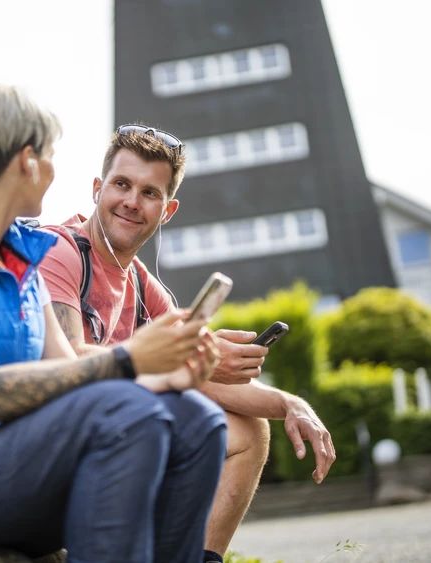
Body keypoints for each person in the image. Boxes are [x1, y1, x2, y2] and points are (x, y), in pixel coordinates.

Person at [0, 83, 230, 563]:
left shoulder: (23, 266)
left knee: (198, 422)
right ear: (28, 161)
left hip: (11, 466)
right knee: (127, 413)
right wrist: (130, 360)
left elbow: (67, 371)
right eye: (51, 156)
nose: (55, 172)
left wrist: (164, 376)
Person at [38, 124, 337, 563]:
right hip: (51, 441)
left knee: (249, 431)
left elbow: (203, 378)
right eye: (121, 185)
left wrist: (289, 404)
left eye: (150, 193)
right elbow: (68, 362)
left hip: (119, 435)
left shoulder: (145, 288)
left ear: (168, 210)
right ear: (98, 189)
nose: (132, 201)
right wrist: (188, 362)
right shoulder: (59, 251)